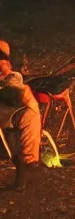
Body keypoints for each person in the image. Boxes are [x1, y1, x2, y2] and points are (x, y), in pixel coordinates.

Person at [0, 40, 42, 190]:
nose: (2, 63)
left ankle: (28, 164)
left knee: (29, 112)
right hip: (6, 111)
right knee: (30, 112)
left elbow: (16, 87)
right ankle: (30, 161)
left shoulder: (13, 76)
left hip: (13, 110)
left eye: (4, 59)